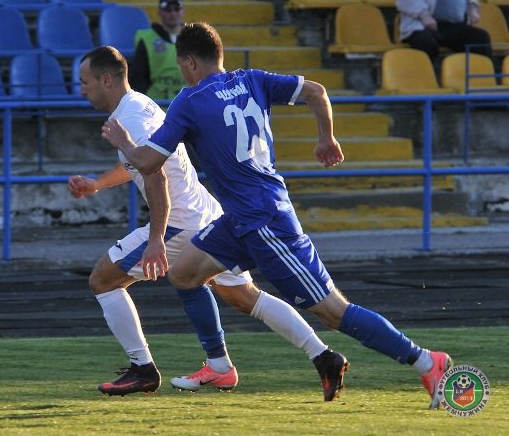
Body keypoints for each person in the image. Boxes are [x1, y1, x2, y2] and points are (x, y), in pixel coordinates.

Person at [101, 22, 454, 409]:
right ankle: (219, 365)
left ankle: (426, 361)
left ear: (189, 62)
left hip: (264, 221)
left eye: (182, 65)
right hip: (239, 218)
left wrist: (124, 143)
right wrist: (326, 137)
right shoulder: (254, 79)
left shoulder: (190, 99)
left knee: (332, 312)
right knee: (185, 274)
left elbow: (148, 163)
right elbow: (316, 92)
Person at [72, 46, 348, 399]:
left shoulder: (131, 120)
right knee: (244, 296)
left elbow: (155, 177)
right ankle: (322, 355)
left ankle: (143, 368)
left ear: (106, 80)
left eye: (85, 82)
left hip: (178, 221)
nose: (81, 89)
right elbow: (140, 163)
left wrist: (156, 239)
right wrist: (98, 183)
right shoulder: (139, 104)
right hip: (206, 212)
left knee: (104, 280)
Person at [130, 0, 186, 101]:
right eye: (168, 10)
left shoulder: (195, 38)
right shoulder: (147, 39)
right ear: (159, 12)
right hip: (156, 103)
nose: (173, 13)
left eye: (176, 9)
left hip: (187, 103)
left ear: (183, 11)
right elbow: (139, 75)